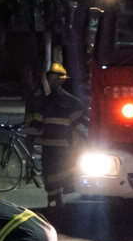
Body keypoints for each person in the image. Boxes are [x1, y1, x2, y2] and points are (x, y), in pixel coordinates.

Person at [25, 62, 89, 208]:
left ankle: (54, 207)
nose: (50, 82)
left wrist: (30, 135)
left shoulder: (44, 102)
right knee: (57, 178)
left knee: (52, 179)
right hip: (65, 148)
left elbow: (36, 125)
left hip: (53, 149)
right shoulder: (74, 102)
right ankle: (55, 207)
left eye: (51, 79)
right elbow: (84, 126)